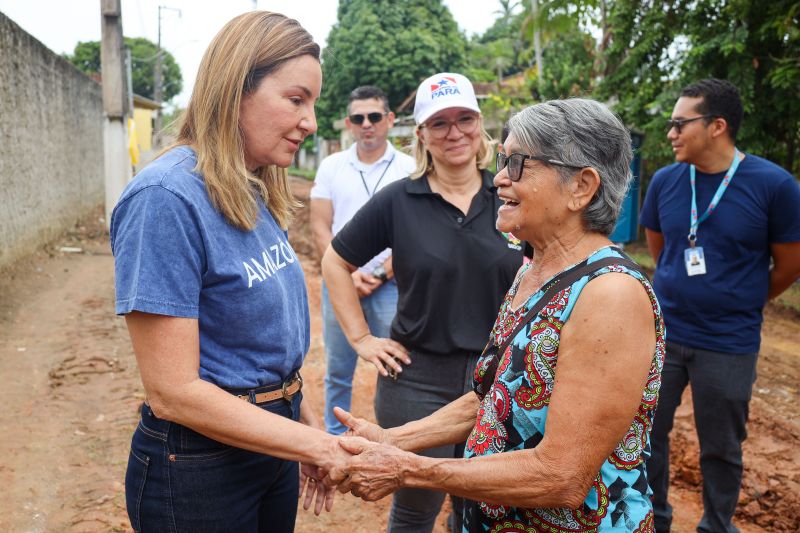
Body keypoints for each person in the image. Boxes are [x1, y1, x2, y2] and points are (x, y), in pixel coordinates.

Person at [326, 98, 667, 532]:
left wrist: (408, 468)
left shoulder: (610, 294)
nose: (501, 177)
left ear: (580, 187)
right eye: (504, 161)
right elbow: (496, 399)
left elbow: (561, 475)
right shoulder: (534, 271)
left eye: (519, 164)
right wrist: (394, 438)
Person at [110, 12, 352, 532]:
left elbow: (262, 343)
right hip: (201, 465)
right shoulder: (166, 199)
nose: (311, 121)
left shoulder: (253, 187)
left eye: (312, 103)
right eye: (296, 99)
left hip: (268, 442)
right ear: (236, 89)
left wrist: (301, 422)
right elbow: (173, 391)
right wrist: (319, 446)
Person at [320, 72, 526, 531]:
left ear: (480, 124)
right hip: (418, 382)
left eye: (464, 119)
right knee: (415, 508)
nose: (454, 133)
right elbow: (335, 261)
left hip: (500, 378)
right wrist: (361, 338)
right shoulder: (399, 200)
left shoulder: (511, 195)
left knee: (487, 508)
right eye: (439, 123)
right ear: (421, 134)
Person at [639, 78, 800, 533]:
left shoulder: (774, 186)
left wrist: (744, 298)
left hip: (729, 340)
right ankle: (655, 519)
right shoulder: (666, 181)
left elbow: (790, 264)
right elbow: (660, 248)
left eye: (679, 124)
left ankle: (716, 525)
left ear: (717, 126)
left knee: (722, 446)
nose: (671, 133)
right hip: (666, 331)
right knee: (647, 432)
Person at [309, 86, 415, 435]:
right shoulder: (331, 166)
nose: (366, 124)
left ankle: (400, 437)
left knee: (398, 365)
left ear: (390, 119)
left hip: (393, 284)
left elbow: (417, 233)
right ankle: (334, 439)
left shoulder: (410, 168)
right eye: (358, 118)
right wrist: (346, 276)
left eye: (374, 116)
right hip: (340, 284)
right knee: (338, 369)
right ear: (348, 123)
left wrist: (381, 274)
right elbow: (320, 226)